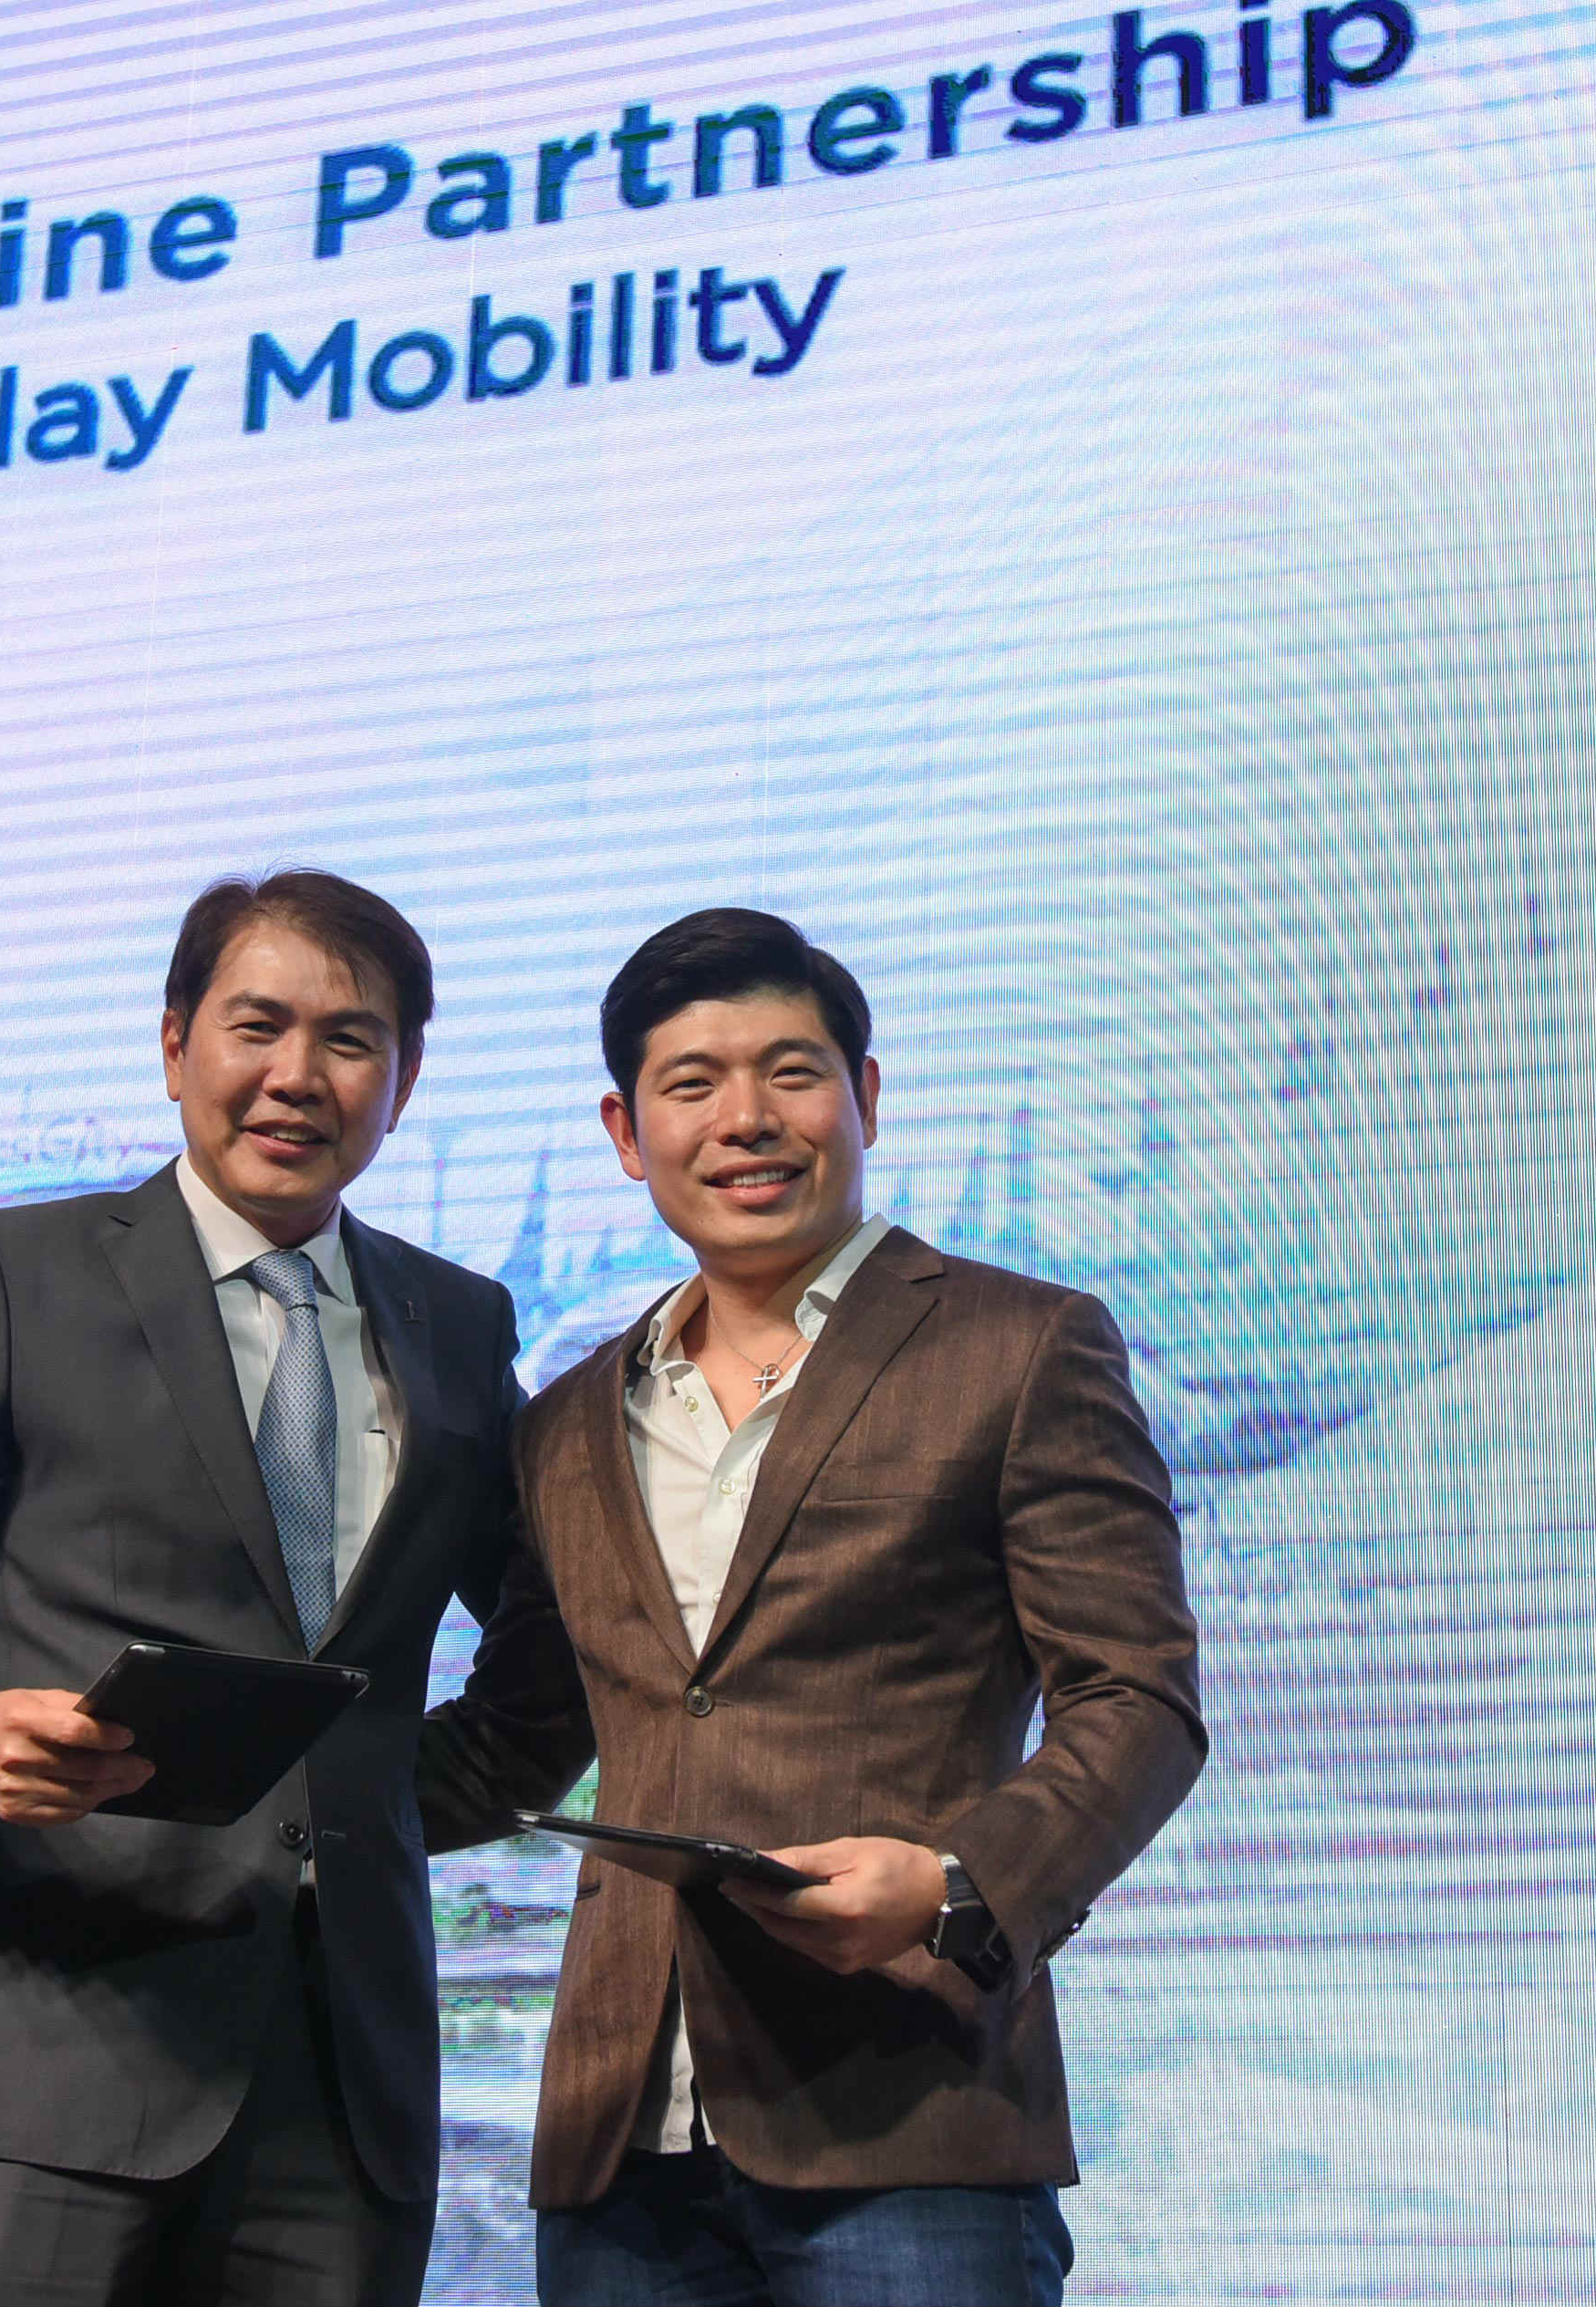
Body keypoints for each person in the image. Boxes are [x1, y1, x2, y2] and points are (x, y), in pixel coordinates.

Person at [418, 907, 1205, 2306]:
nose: (746, 1118)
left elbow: (1136, 1697)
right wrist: (250, 1788)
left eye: (791, 1071)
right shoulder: (565, 1422)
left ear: (866, 1096)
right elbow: (517, 1740)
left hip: (910, 2109)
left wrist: (957, 1886)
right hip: (618, 2146)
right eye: (692, 1083)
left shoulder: (1021, 1346)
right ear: (625, 1132)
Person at [0, 869, 528, 2307]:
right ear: (175, 1042)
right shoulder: (18, 1272)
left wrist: (372, 1808)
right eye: (258, 1025)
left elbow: (548, 1644)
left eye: (350, 1039)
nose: (297, 1075)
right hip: (41, 2046)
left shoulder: (460, 1321)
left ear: (404, 1081)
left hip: (341, 2084)